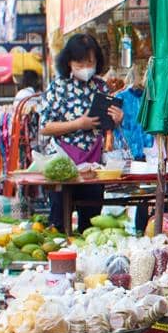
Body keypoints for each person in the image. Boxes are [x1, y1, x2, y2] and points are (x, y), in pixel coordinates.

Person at [38, 33, 123, 231]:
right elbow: (45, 126)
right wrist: (78, 124)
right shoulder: (58, 87)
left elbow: (107, 127)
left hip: (93, 166)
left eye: (90, 62)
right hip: (63, 165)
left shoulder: (101, 86)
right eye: (80, 62)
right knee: (59, 222)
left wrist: (117, 119)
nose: (86, 67)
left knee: (91, 223)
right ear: (69, 62)